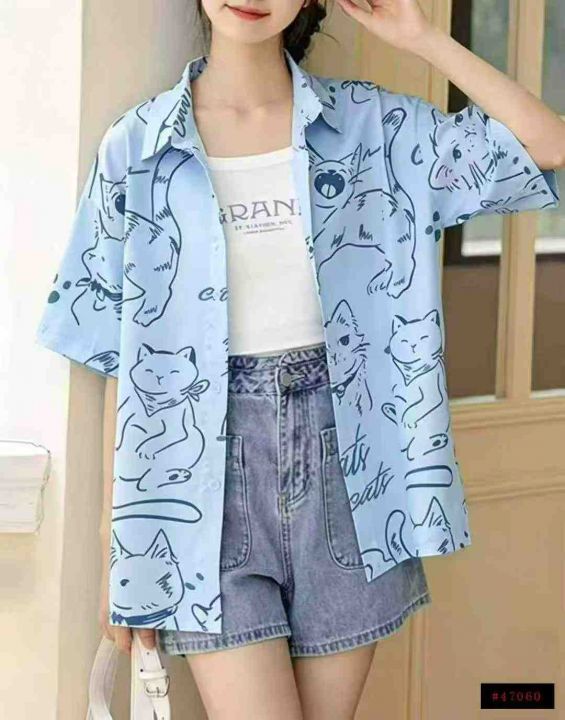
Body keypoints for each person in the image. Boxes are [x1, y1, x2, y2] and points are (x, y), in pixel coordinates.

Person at [35, 1, 562, 718]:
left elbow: (545, 144)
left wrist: (423, 37)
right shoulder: (139, 147)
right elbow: (118, 359)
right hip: (201, 490)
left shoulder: (373, 129)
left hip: (351, 476)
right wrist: (119, 549)